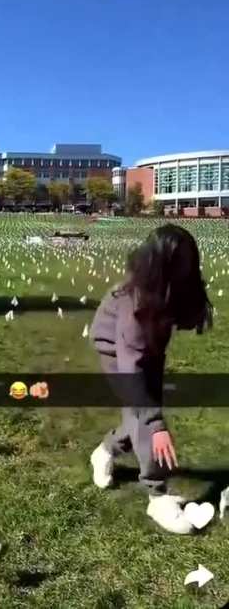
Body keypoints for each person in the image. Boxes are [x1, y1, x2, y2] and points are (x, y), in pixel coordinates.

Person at [89, 224, 213, 534]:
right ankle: (157, 495)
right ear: (161, 263)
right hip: (117, 352)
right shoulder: (134, 303)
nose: (187, 268)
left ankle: (105, 450)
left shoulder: (167, 286)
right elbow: (131, 368)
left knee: (140, 414)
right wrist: (156, 426)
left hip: (149, 350)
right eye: (180, 262)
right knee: (143, 414)